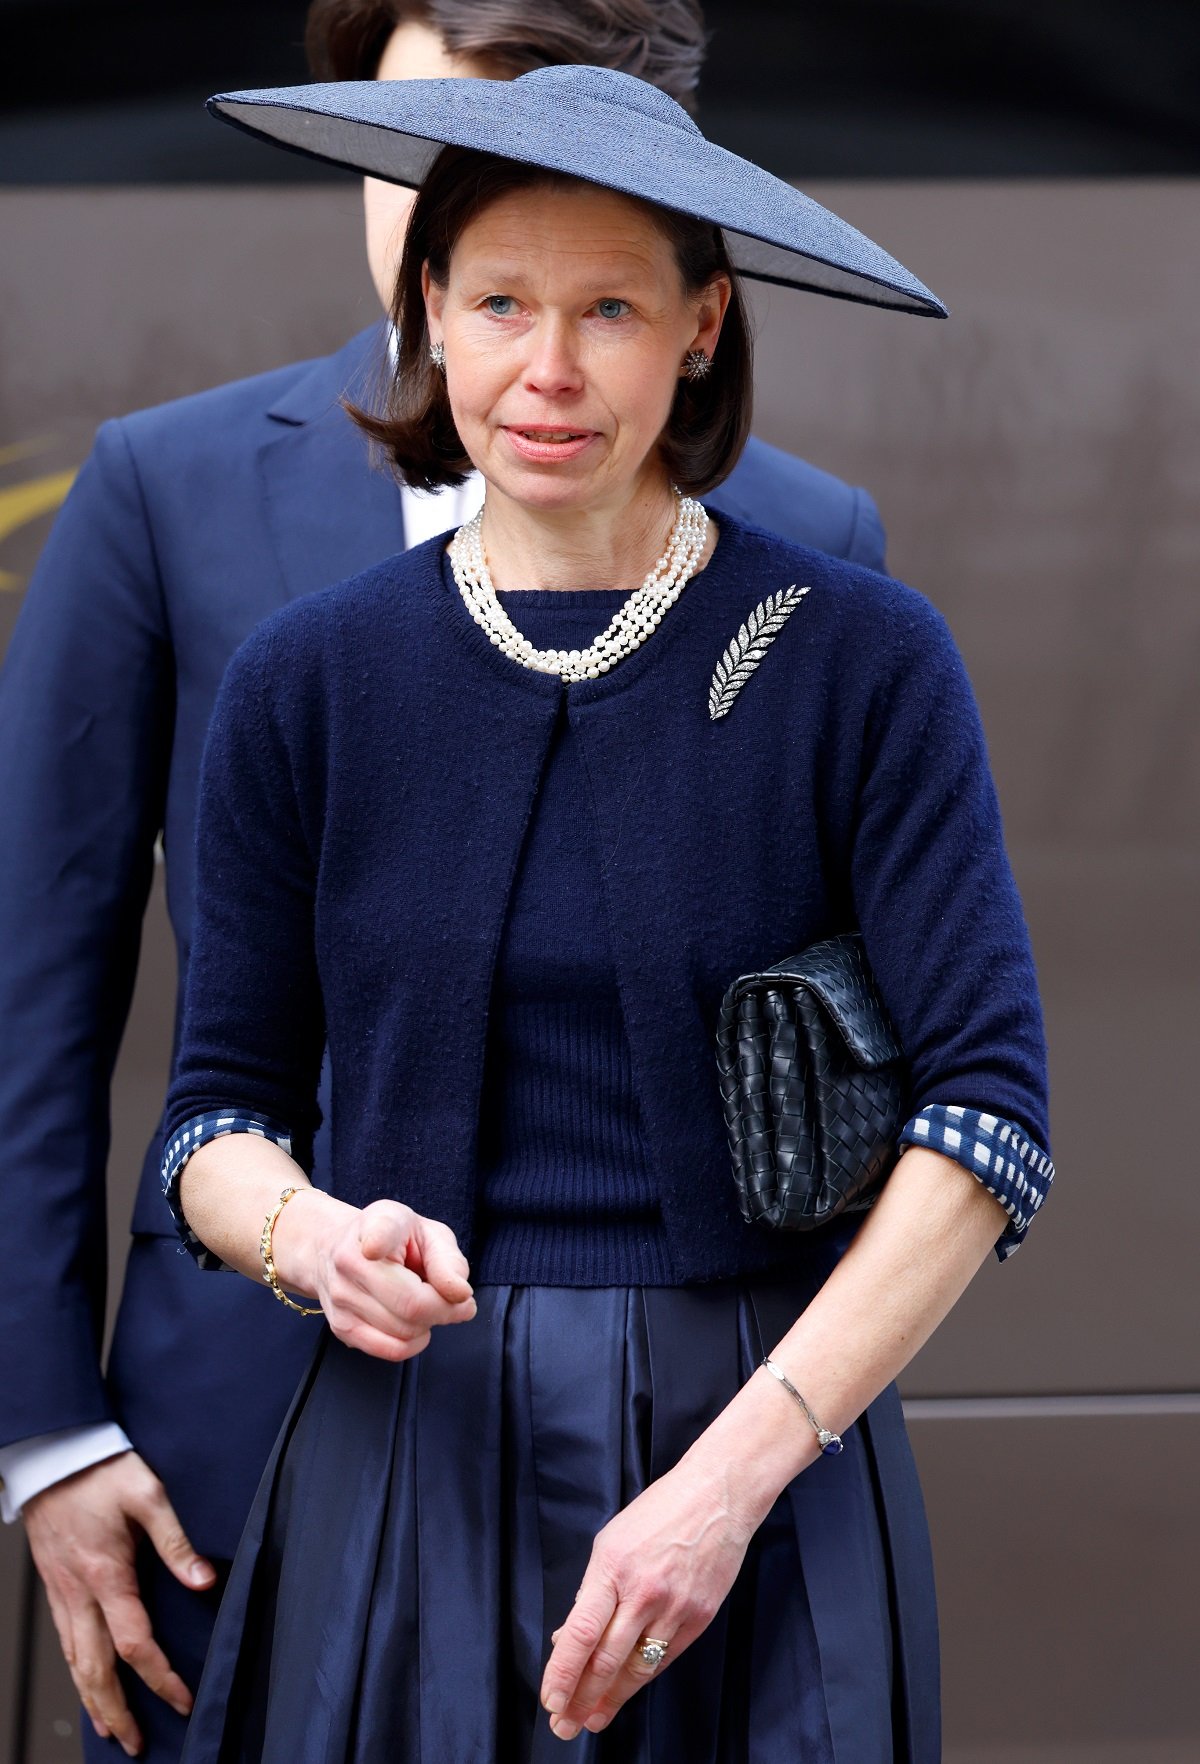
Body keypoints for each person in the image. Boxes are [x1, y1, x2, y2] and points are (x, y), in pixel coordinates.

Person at [0, 5, 890, 1761]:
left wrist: (750, 1445)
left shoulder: (820, 561)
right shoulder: (164, 491)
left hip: (667, 1478)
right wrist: (48, 1436)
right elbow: (37, 997)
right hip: (229, 1457)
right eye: (401, 141)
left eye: (508, 146)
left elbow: (871, 1053)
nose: (428, 200)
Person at [161, 66, 1053, 1763]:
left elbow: (989, 1117)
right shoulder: (311, 683)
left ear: (703, 329)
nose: (547, 370)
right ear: (429, 311)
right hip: (402, 1451)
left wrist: (727, 1480)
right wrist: (310, 1239)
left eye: (612, 310)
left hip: (767, 1458)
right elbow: (214, 1116)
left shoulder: (859, 660)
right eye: (499, 301)